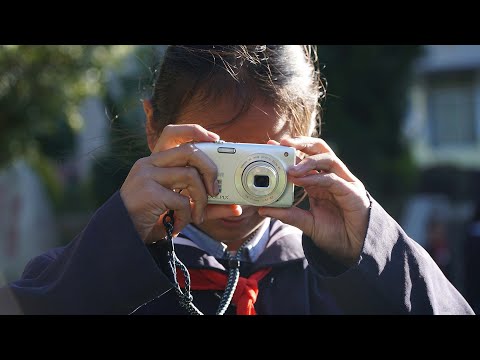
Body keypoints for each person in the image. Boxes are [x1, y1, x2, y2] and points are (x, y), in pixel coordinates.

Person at [0, 45, 474, 315]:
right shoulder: (82, 277)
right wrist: (115, 246)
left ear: (310, 138)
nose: (234, 206)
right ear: (153, 128)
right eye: (215, 163)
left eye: (260, 171)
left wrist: (376, 246)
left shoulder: (347, 280)